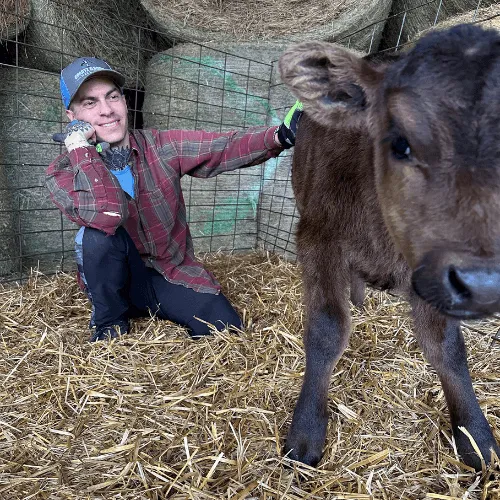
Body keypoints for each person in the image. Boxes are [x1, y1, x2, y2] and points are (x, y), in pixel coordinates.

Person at [45, 56, 303, 342]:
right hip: (114, 284)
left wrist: (280, 136)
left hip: (167, 274)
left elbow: (223, 147)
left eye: (113, 96)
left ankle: (166, 305)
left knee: (225, 330)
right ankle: (111, 322)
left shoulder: (160, 145)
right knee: (96, 237)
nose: (107, 110)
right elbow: (107, 214)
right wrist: (80, 147)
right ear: (72, 117)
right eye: (90, 103)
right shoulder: (63, 171)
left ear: (125, 101)